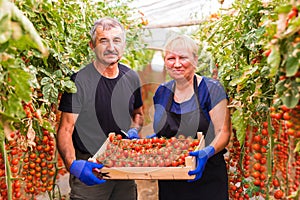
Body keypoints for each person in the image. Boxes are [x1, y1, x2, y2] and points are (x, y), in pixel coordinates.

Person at [57, 17, 144, 200]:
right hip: (91, 166)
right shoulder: (79, 81)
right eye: (103, 41)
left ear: (123, 45)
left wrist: (134, 129)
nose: (111, 47)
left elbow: (138, 113)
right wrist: (73, 164)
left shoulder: (131, 78)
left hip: (123, 166)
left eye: (116, 40)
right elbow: (66, 128)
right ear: (92, 45)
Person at [147, 34, 231, 200]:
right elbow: (162, 131)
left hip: (207, 177)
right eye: (171, 58)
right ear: (165, 61)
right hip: (170, 178)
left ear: (195, 60)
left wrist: (207, 152)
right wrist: (154, 141)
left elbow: (223, 131)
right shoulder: (162, 92)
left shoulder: (211, 89)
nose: (177, 64)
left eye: (183, 58)